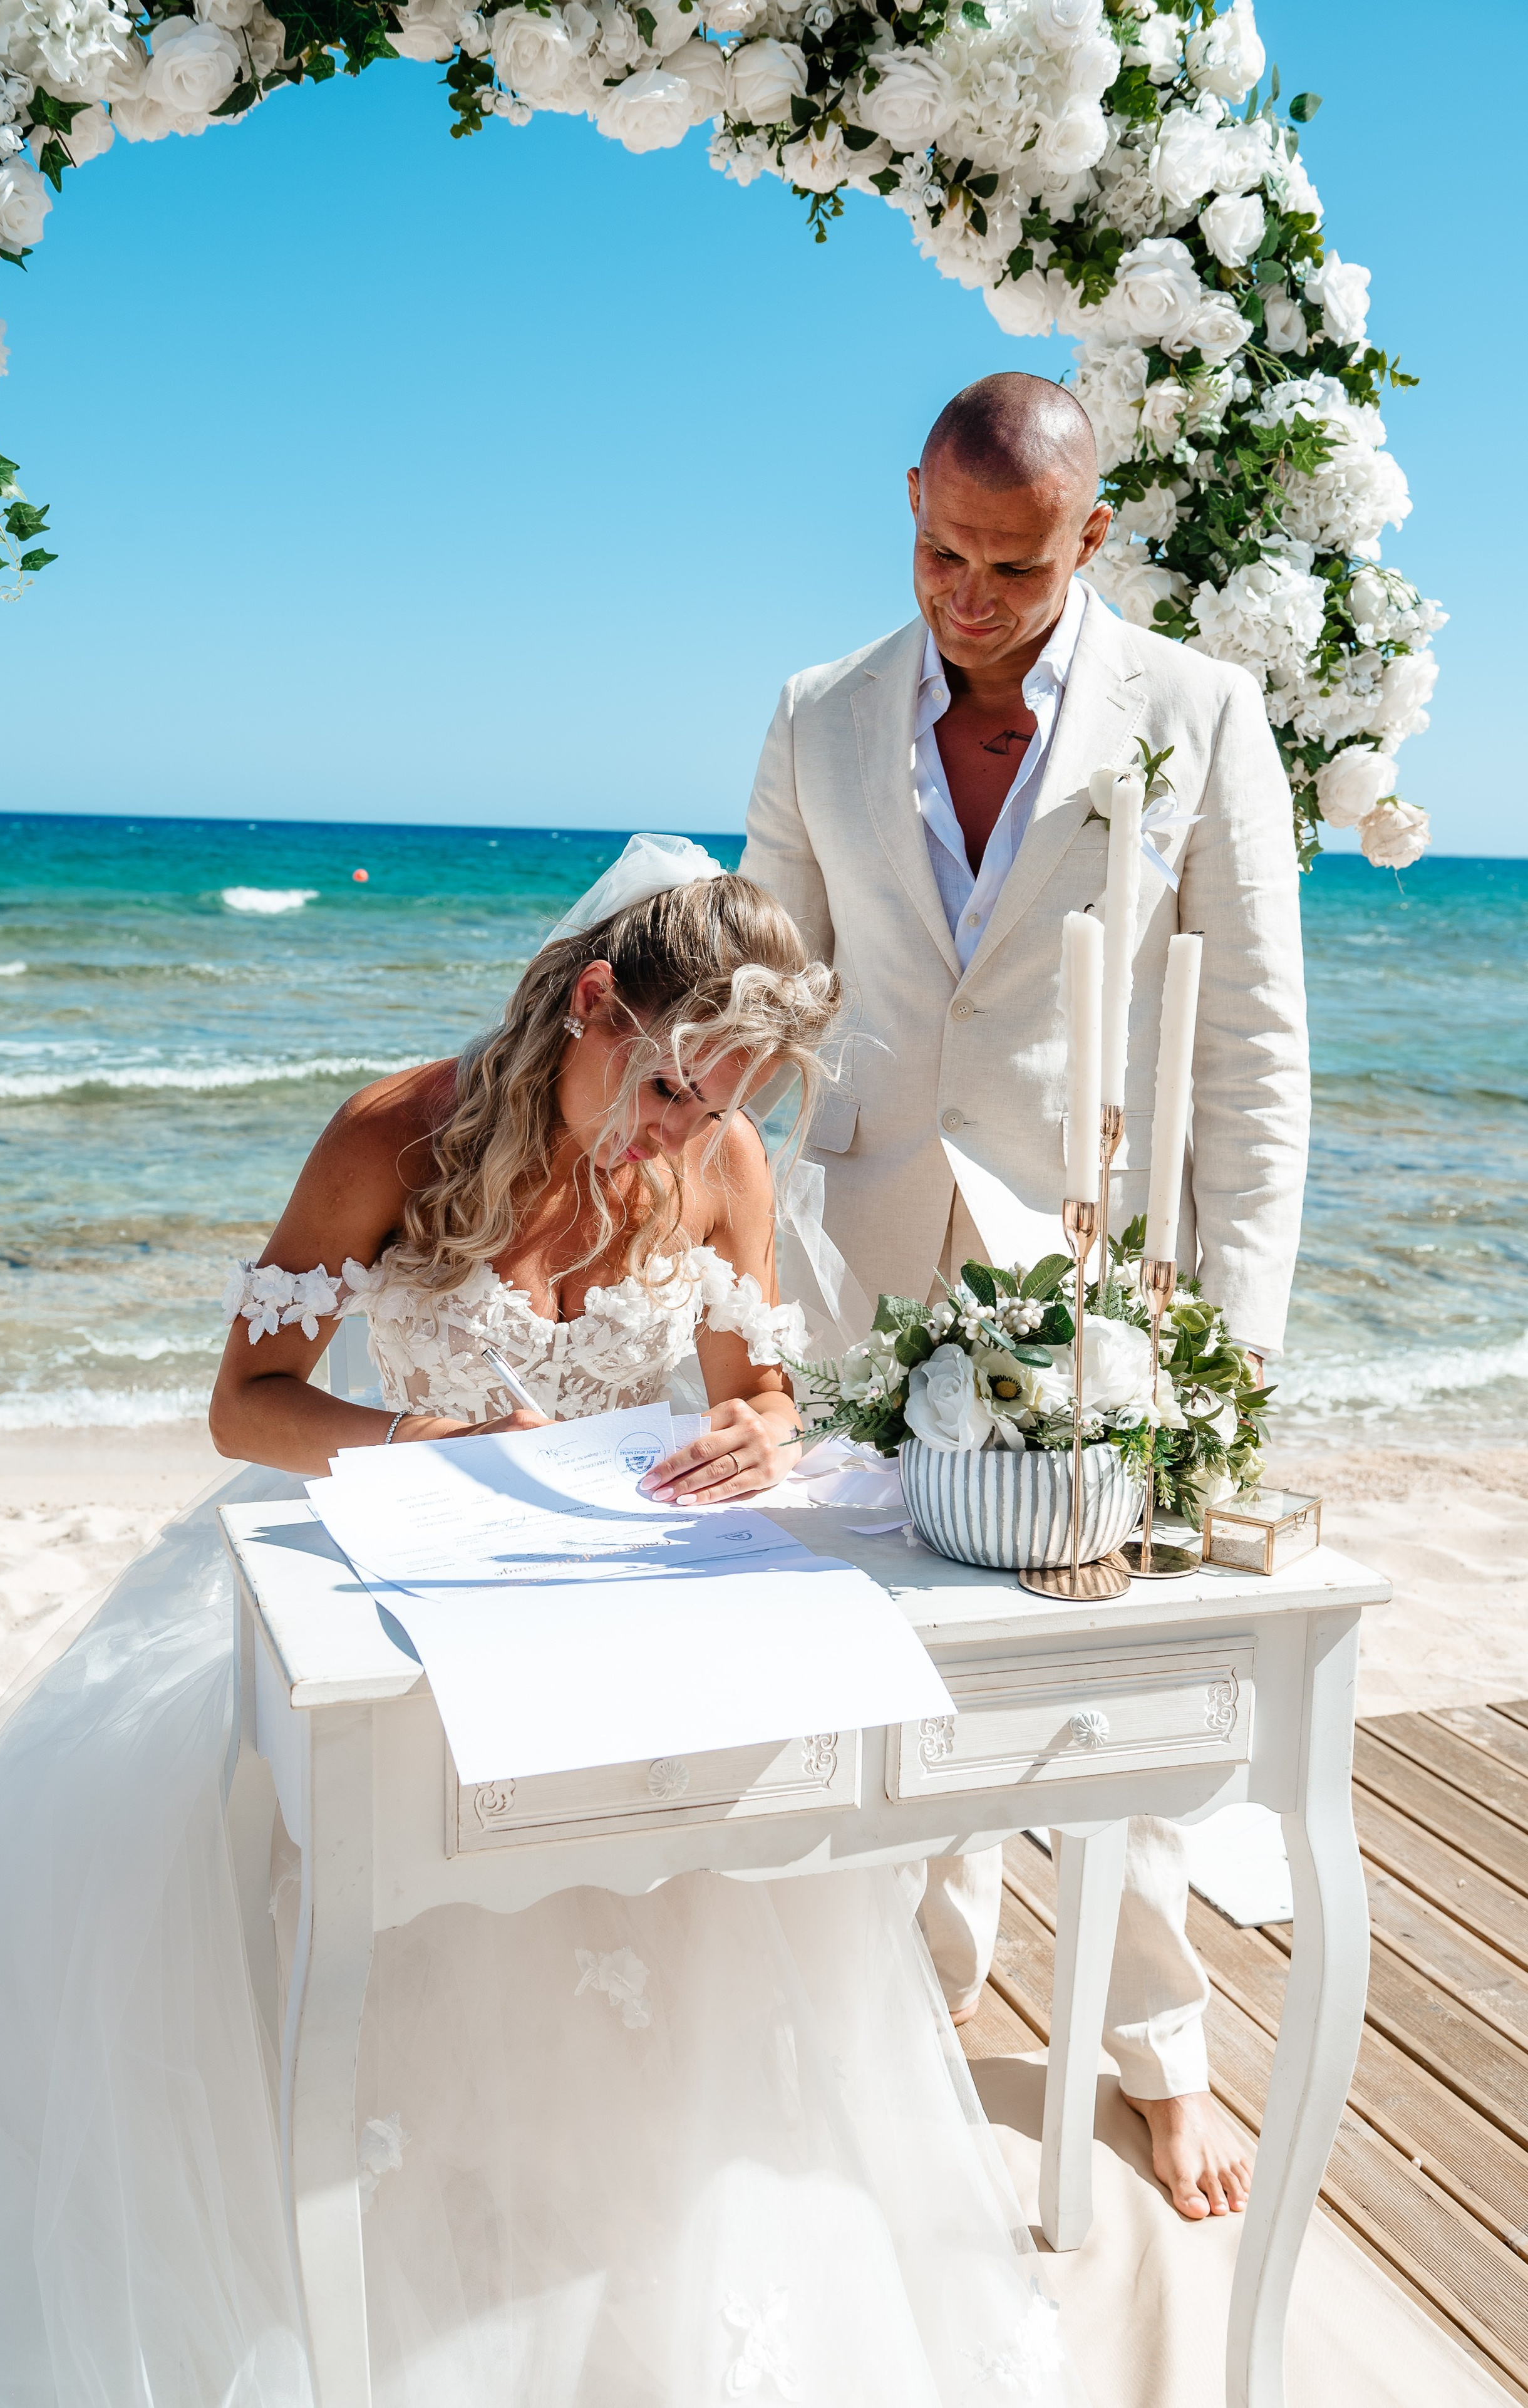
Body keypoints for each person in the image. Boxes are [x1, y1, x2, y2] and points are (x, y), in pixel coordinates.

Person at [0, 843, 1085, 2408]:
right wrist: (434, 1448)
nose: (686, 1132)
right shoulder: (396, 1135)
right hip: (398, 1558)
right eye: (673, 1088)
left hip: (608, 1590)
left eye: (728, 1100)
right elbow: (244, 1407)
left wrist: (763, 1434)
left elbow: (757, 1392)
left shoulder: (723, 1157)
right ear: (596, 1002)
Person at [741, 370, 1310, 2223]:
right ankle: (928, 1969)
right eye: (939, 551)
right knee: (880, 1660)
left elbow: (1253, 1047)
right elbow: (766, 1000)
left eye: (1010, 565)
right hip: (871, 1249)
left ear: (1095, 538)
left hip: (1103, 1267)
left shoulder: (1204, 716)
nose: (965, 596)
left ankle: (1160, 2048)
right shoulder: (816, 716)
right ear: (908, 496)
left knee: (1107, 1682)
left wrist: (1235, 1344)